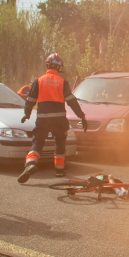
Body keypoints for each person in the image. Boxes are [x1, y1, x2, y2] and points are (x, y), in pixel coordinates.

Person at [18, 53, 88, 183]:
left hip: (43, 120)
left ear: (47, 65)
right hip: (59, 121)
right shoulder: (63, 82)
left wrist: (26, 114)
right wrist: (81, 116)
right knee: (60, 144)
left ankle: (30, 164)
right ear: (59, 67)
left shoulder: (38, 81)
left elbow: (31, 100)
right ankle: (60, 171)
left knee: (37, 143)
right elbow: (71, 101)